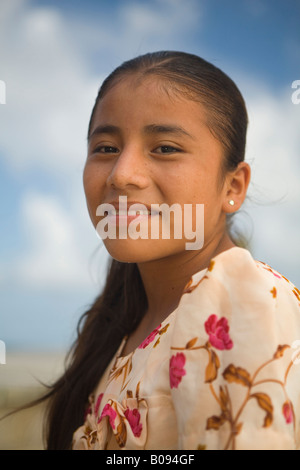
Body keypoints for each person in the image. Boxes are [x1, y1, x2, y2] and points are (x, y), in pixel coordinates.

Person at [44, 51, 300, 450]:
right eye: (106, 148)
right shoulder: (125, 324)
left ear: (232, 186)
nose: (122, 174)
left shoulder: (247, 302)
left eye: (164, 148)